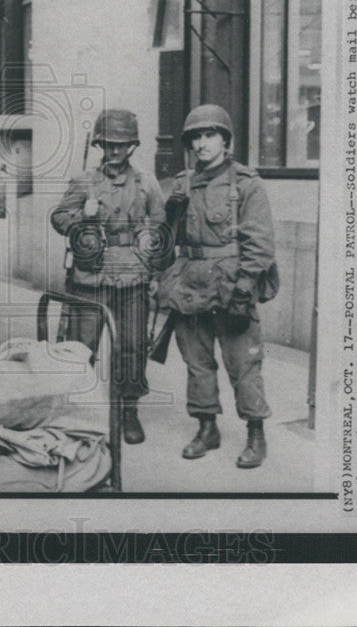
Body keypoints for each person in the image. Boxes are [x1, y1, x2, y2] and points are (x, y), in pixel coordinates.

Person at [156, 104, 278, 468]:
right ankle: (206, 427)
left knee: (243, 363)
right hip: (189, 284)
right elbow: (164, 241)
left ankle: (256, 434)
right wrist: (170, 217)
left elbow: (260, 244)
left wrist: (244, 290)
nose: (201, 143)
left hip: (230, 285)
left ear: (226, 140)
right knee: (197, 363)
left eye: (209, 135)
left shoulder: (246, 184)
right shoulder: (181, 184)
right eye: (195, 136)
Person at [50, 110, 166, 445]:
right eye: (108, 144)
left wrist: (155, 273)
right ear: (100, 144)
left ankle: (128, 410)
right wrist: (79, 217)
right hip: (91, 276)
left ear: (131, 145)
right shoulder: (85, 181)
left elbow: (158, 228)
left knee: (131, 345)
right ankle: (80, 411)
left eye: (121, 144)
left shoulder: (146, 183)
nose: (114, 151)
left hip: (132, 276)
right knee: (80, 347)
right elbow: (58, 217)